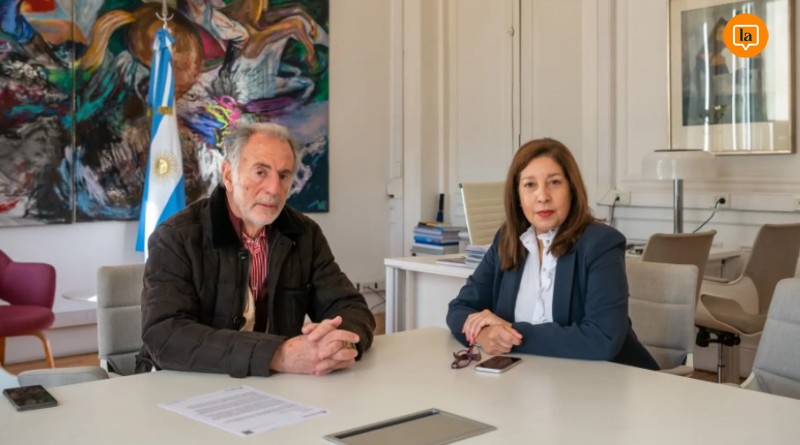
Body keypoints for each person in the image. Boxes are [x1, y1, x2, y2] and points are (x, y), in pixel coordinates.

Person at [137, 122, 375, 377]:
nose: (274, 189)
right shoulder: (175, 237)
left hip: (273, 385)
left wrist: (340, 343)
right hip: (185, 382)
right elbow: (165, 335)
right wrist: (276, 355)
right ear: (229, 175)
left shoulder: (305, 234)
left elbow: (350, 306)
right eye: (261, 172)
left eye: (283, 175)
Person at [446, 138, 658, 370]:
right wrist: (484, 334)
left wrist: (510, 332)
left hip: (610, 381)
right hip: (531, 379)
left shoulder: (600, 244)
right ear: (517, 196)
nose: (543, 196)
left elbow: (603, 338)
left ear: (572, 189)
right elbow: (460, 308)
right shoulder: (507, 240)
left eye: (554, 182)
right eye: (529, 185)